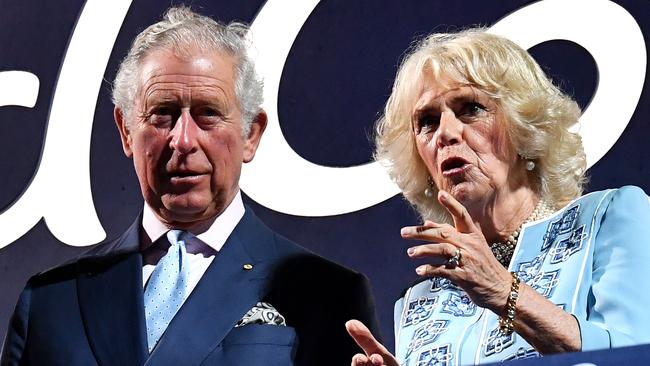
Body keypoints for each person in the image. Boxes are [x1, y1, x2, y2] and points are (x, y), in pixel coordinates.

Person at [0, 6, 379, 366]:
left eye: (208, 113)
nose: (182, 139)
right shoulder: (51, 302)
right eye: (162, 113)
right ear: (126, 131)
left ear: (251, 134)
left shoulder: (327, 294)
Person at [346, 28, 650, 365]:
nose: (446, 133)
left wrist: (505, 292)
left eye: (470, 108)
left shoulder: (609, 219)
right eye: (428, 122)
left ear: (524, 128)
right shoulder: (418, 302)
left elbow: (633, 356)